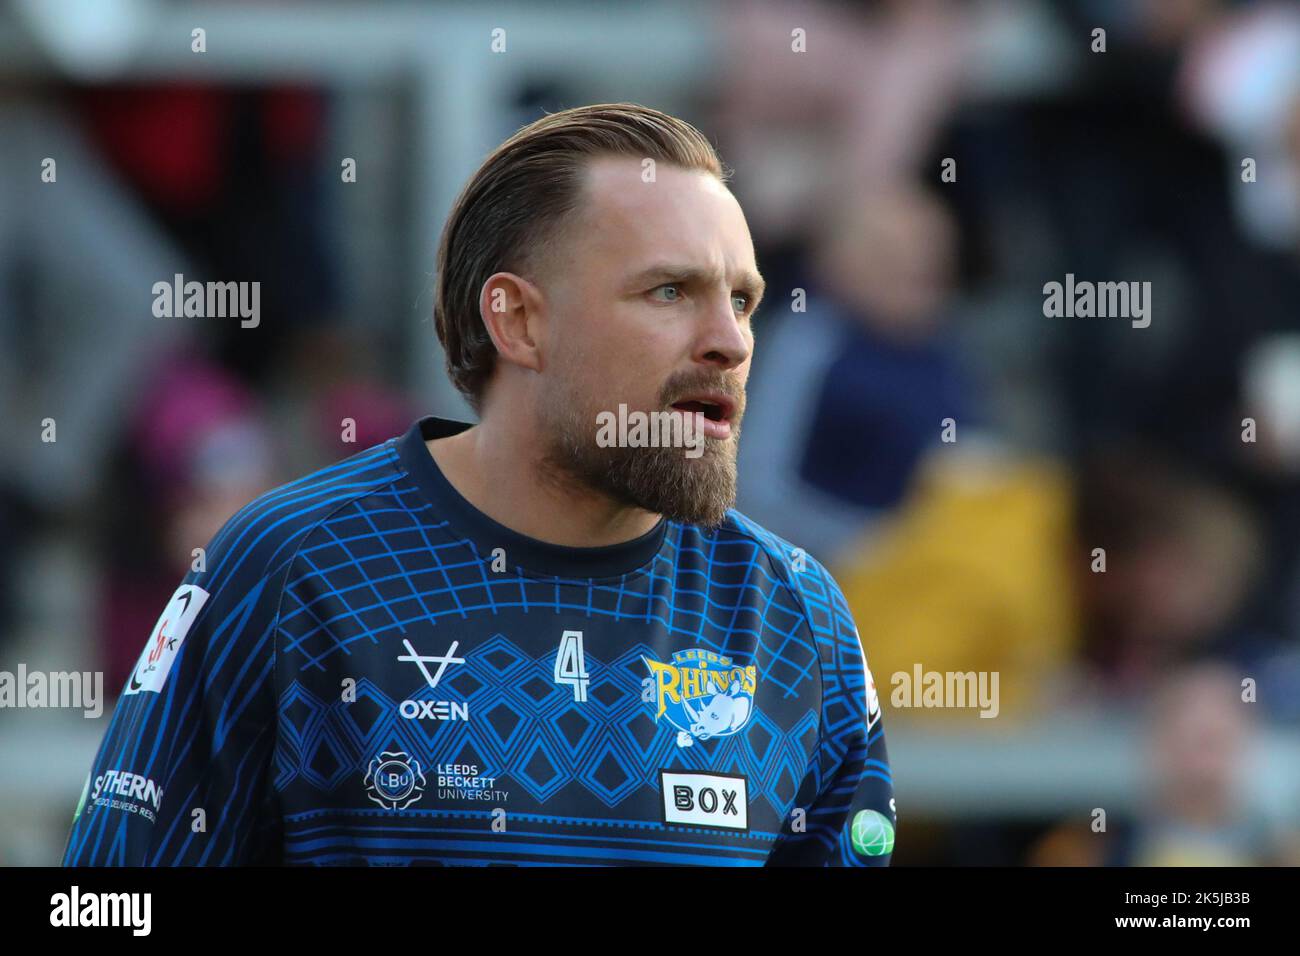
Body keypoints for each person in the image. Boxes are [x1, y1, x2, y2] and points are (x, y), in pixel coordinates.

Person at [63, 103, 894, 866]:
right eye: (669, 291)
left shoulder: (796, 616)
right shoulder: (290, 569)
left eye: (743, 302)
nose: (730, 342)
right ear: (518, 321)